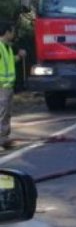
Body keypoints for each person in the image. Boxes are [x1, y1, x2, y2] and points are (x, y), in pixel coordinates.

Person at [0, 21, 27, 150]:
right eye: (12, 31)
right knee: (2, 112)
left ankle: (4, 139)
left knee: (6, 113)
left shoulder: (7, 47)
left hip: (8, 86)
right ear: (7, 32)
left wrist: (19, 57)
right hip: (1, 86)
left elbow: (9, 62)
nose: (13, 34)